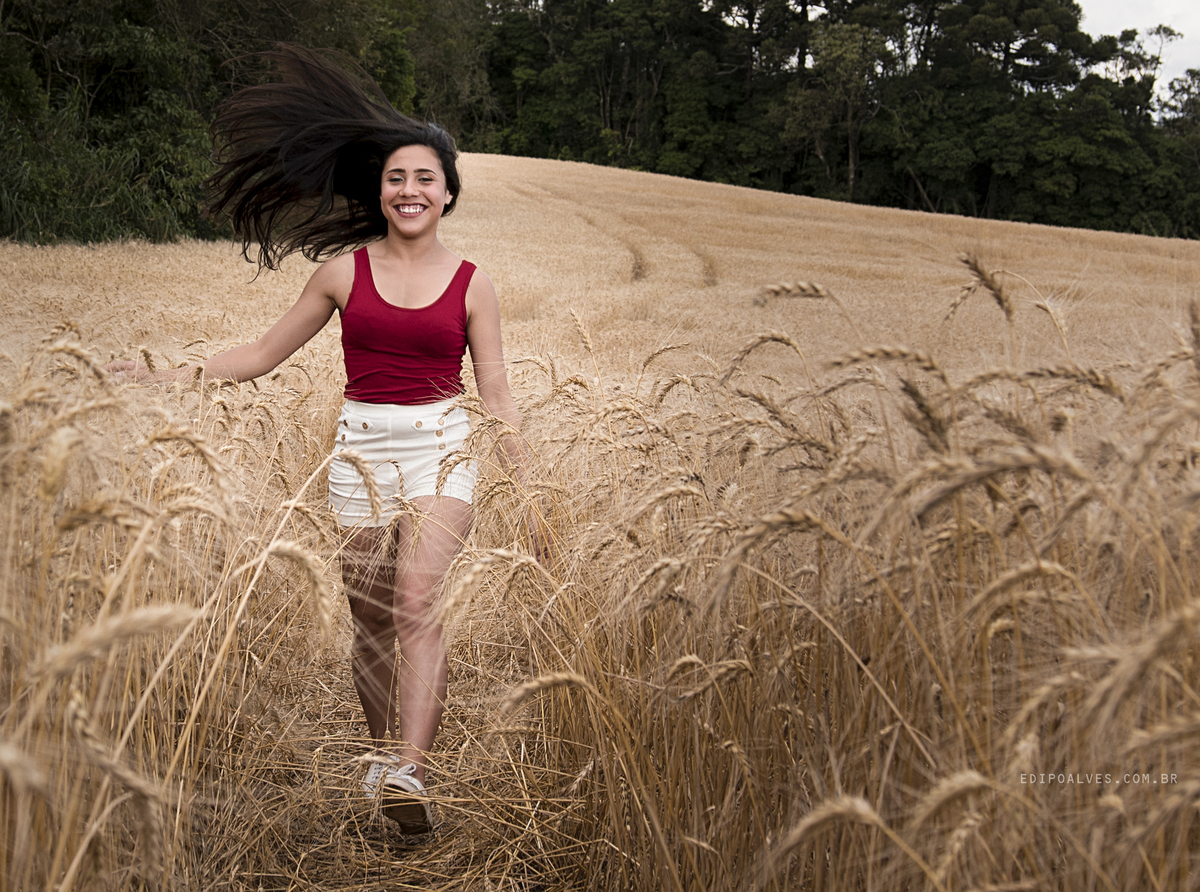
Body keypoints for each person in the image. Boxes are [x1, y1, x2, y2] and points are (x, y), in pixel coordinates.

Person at [107, 44, 537, 835]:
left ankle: (412, 770)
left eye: (425, 178)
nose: (410, 190)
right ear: (381, 190)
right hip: (360, 452)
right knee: (370, 616)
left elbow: (498, 393)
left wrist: (528, 485)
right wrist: (162, 375)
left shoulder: (476, 283)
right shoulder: (342, 274)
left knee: (416, 600)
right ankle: (383, 763)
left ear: (449, 195)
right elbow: (262, 356)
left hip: (442, 447)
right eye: (397, 177)